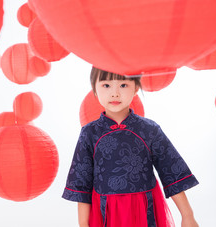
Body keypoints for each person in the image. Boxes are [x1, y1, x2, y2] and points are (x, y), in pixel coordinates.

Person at [62, 66, 199, 227]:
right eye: (106, 85)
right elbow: (81, 184)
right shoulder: (89, 133)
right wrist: (84, 224)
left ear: (136, 87)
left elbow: (171, 171)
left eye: (123, 85)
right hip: (105, 212)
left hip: (144, 209)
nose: (115, 93)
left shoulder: (149, 130)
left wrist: (188, 215)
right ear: (94, 89)